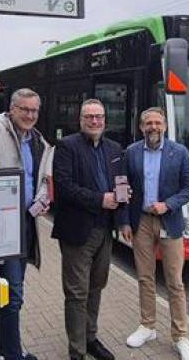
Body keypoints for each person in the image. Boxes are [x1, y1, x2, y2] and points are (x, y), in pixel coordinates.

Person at [0, 83, 52, 360]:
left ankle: (5, 347)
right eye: (24, 110)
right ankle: (13, 354)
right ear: (12, 109)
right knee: (12, 293)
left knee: (10, 290)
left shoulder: (39, 141)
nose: (29, 115)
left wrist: (42, 196)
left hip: (25, 223)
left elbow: (41, 178)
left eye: (34, 111)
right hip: (0, 225)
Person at [119, 107, 189, 360]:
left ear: (164, 126)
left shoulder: (180, 152)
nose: (153, 127)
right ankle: (147, 326)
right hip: (141, 221)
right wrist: (123, 222)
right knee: (145, 277)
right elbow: (122, 187)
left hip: (169, 221)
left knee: (175, 282)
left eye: (157, 123)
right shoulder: (131, 152)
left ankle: (181, 337)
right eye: (148, 123)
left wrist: (169, 204)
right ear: (141, 127)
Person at [52, 99, 127, 360]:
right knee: (76, 293)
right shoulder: (66, 147)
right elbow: (64, 186)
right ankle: (77, 352)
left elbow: (120, 182)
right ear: (80, 119)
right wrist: (100, 199)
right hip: (77, 232)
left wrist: (123, 200)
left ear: (105, 120)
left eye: (99, 117)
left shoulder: (114, 148)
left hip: (105, 230)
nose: (94, 121)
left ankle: (90, 338)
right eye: (89, 117)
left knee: (96, 287)